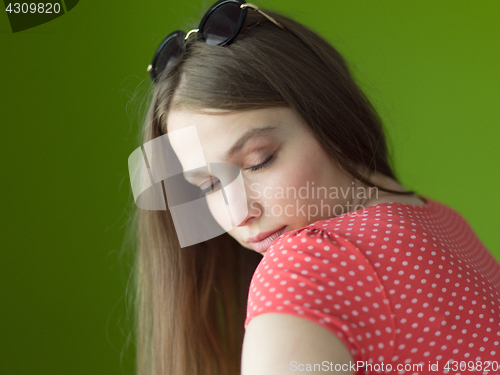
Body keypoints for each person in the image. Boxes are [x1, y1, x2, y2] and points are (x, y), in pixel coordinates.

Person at [129, 1, 500, 374]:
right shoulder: (442, 221)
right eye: (208, 185)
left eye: (259, 160)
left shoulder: (306, 265)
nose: (238, 213)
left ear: (327, 114)